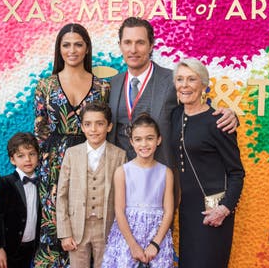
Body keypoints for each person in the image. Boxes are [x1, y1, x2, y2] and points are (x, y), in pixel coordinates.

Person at [108, 17, 238, 166]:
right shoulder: (112, 84)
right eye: (127, 42)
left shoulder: (173, 80)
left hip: (162, 176)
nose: (133, 49)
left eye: (140, 43)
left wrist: (230, 116)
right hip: (121, 176)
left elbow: (197, 111)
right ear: (120, 45)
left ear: (151, 46)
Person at [34, 23, 110, 267]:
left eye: (78, 44)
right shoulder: (45, 86)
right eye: (66, 45)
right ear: (59, 49)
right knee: (55, 228)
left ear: (87, 48)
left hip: (91, 163)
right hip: (53, 166)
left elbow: (107, 128)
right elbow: (40, 131)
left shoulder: (102, 87)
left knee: (86, 229)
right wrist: (44, 172)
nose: (72, 50)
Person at [169, 58, 245, 268]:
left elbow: (236, 172)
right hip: (187, 212)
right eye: (180, 79)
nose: (185, 85)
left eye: (191, 79)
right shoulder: (175, 115)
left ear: (204, 85)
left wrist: (225, 208)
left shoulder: (218, 121)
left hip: (214, 212)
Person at [55, 102, 127, 268]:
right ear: (82, 127)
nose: (93, 129)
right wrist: (65, 233)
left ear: (109, 127)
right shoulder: (72, 154)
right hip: (77, 228)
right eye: (88, 124)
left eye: (99, 124)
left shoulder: (119, 156)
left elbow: (124, 196)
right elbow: (62, 195)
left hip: (107, 229)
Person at [102, 113, 175, 268]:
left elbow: (168, 212)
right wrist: (133, 245)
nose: (144, 144)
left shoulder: (166, 173)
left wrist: (155, 244)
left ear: (158, 140)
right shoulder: (122, 172)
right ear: (131, 142)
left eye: (150, 138)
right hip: (127, 238)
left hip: (157, 237)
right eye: (138, 139)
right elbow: (119, 211)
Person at [0, 132, 41, 268]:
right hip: (7, 248)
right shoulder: (5, 183)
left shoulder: (42, 183)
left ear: (38, 156)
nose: (27, 159)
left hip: (30, 249)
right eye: (21, 156)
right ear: (12, 160)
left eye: (32, 154)